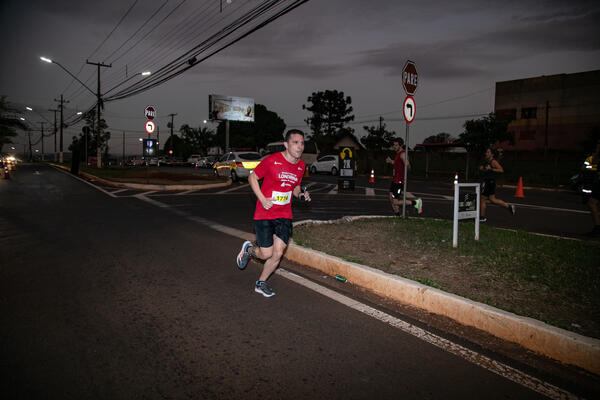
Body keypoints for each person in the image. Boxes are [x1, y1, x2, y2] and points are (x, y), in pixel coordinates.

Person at [236, 129, 311, 297]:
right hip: (265, 213)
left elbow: (296, 186)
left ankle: (260, 283)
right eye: (295, 142)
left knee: (278, 253)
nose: (300, 147)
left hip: (284, 214)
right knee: (266, 254)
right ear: (286, 144)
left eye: (302, 143)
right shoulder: (272, 160)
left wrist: (300, 194)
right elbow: (252, 178)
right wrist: (262, 199)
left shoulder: (301, 166)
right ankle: (248, 250)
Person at [385, 138, 422, 216]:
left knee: (395, 201)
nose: (394, 147)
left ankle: (416, 202)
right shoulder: (398, 154)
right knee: (391, 198)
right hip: (395, 180)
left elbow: (408, 165)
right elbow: (397, 164)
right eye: (394, 145)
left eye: (396, 145)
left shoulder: (402, 154)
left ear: (401, 145)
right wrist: (391, 161)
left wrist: (407, 166)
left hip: (399, 182)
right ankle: (397, 215)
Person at [479, 147, 515, 222]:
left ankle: (482, 217)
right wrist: (482, 168)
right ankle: (508, 206)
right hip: (489, 181)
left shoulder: (493, 161)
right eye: (486, 152)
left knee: (482, 199)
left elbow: (501, 170)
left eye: (488, 152)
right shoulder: (487, 161)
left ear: (492, 154)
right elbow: (483, 168)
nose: (486, 153)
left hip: (489, 182)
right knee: (492, 199)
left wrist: (491, 169)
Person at [583, 140, 600, 236]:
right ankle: (597, 228)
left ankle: (597, 228)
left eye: (598, 146)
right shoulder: (593, 158)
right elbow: (593, 162)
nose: (597, 148)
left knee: (592, 203)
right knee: (592, 203)